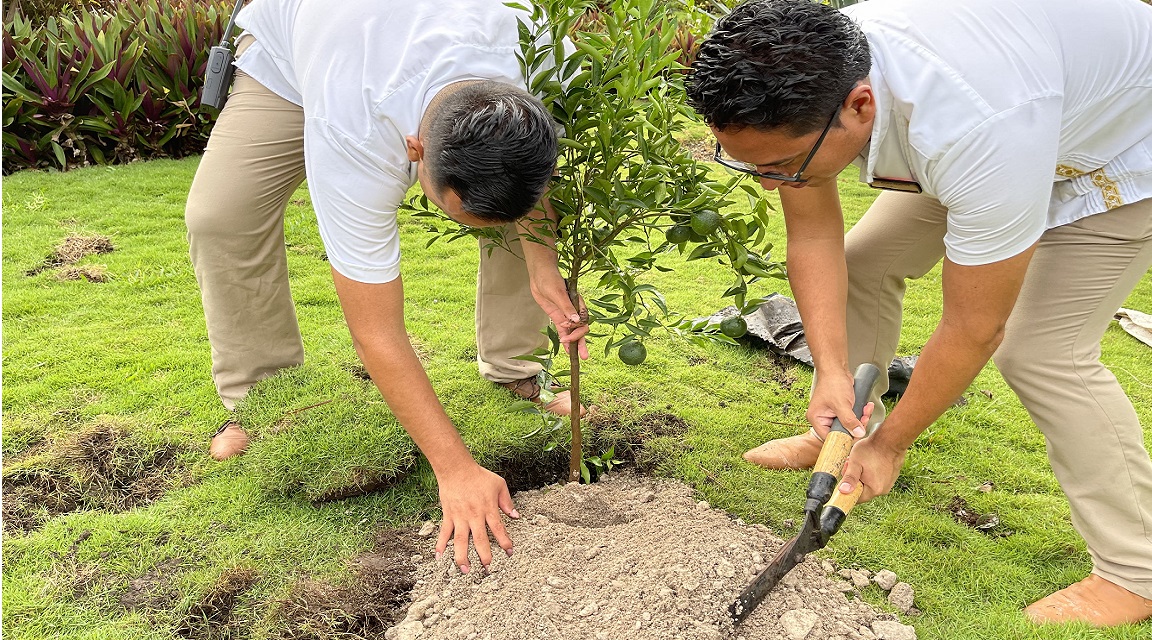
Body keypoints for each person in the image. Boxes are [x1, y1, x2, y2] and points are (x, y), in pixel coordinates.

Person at [687, 0, 1152, 626]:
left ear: (860, 105)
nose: (769, 183)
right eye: (749, 163)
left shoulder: (975, 126)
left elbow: (973, 327)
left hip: (1123, 144)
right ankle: (842, 434)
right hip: (1025, 112)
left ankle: (1135, 572)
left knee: (1043, 352)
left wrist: (895, 443)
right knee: (864, 262)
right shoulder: (805, 82)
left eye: (779, 166)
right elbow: (817, 240)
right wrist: (831, 371)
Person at [185, 0, 590, 574]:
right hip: (296, 54)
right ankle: (262, 399)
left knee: (513, 209)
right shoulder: (353, 125)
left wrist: (542, 264)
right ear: (414, 152)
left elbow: (531, 178)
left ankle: (514, 369)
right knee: (221, 216)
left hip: (404, 44)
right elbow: (375, 327)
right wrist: (454, 469)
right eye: (461, 216)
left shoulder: (545, 59)